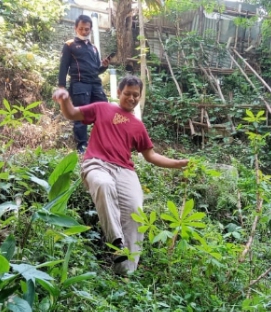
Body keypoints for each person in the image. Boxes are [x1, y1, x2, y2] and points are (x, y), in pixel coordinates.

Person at [52, 75, 189, 275]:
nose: (132, 98)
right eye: (127, 93)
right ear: (118, 93)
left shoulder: (138, 125)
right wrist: (64, 99)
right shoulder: (102, 108)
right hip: (97, 164)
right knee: (103, 184)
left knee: (136, 211)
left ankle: (126, 272)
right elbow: (72, 114)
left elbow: (150, 155)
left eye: (136, 95)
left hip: (125, 170)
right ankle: (117, 243)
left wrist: (178, 164)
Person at [58, 14, 110, 153]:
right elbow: (63, 66)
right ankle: (82, 146)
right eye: (81, 28)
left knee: (104, 113)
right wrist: (61, 87)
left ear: (90, 29)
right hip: (79, 85)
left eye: (87, 29)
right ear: (76, 28)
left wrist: (104, 66)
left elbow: (95, 70)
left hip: (95, 85)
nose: (84, 31)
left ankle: (101, 144)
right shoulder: (70, 45)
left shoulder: (94, 48)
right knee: (80, 116)